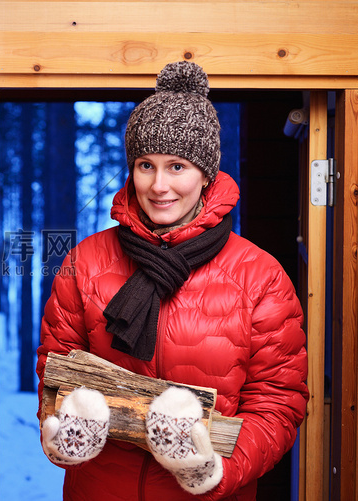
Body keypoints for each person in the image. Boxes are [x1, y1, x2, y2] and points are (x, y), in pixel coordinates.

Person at [36, 61, 309, 500]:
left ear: (206, 174)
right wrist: (66, 431)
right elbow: (55, 371)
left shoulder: (259, 276)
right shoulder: (85, 262)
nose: (159, 185)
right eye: (146, 164)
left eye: (177, 166)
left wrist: (217, 468)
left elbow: (279, 401)